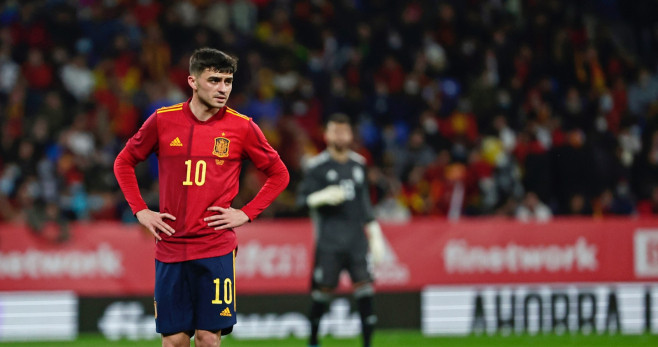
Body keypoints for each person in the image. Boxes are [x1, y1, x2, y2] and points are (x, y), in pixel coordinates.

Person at [114, 48, 289, 347]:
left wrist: (246, 213)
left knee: (208, 339)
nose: (223, 89)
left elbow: (279, 174)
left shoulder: (242, 127)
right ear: (193, 81)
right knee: (174, 341)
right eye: (214, 80)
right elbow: (123, 162)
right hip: (170, 248)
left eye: (228, 81)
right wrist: (141, 210)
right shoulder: (162, 120)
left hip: (215, 248)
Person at [298, 113, 386, 347]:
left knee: (365, 291)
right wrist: (320, 197)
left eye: (344, 131)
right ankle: (314, 341)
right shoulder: (317, 167)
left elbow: (365, 203)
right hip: (329, 243)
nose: (341, 135)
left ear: (350, 135)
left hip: (357, 241)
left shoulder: (359, 164)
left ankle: (368, 344)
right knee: (322, 294)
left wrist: (374, 231)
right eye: (335, 131)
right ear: (326, 135)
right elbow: (301, 201)